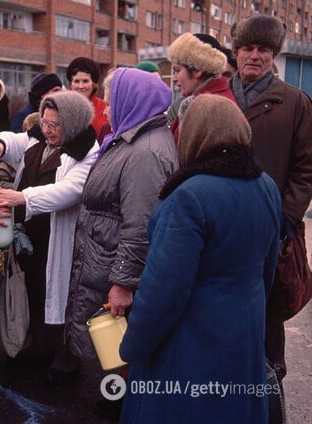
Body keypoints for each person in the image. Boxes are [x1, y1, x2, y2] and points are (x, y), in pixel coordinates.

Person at [119, 94, 282, 424]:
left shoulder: (188, 196)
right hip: (244, 336)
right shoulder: (265, 185)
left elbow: (163, 290)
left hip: (190, 345)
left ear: (193, 135)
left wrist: (133, 347)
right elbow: (267, 270)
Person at [63, 68, 178, 383]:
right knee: (113, 359)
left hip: (114, 269)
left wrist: (123, 283)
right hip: (106, 260)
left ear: (131, 103)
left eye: (112, 103)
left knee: (121, 359)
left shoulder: (146, 154)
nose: (108, 110)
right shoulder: (132, 139)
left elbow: (140, 224)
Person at [0, 91, 100, 371]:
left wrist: (22, 198)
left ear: (71, 124)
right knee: (34, 287)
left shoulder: (87, 151)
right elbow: (13, 140)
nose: (46, 129)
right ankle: (39, 345)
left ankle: (66, 357)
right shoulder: (39, 137)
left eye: (54, 125)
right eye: (45, 123)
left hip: (59, 235)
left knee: (62, 295)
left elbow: (70, 190)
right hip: (32, 231)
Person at [229, 14, 312, 383]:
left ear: (274, 55)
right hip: (219, 227)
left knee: (266, 316)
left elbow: (306, 168)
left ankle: (268, 390)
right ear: (235, 52)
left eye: (264, 49)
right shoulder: (217, 96)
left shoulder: (294, 102)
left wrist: (285, 217)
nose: (255, 56)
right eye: (247, 47)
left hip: (271, 231)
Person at [167, 32, 235, 142]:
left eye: (177, 70)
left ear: (197, 70)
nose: (174, 78)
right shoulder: (207, 101)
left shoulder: (212, 109)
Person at [66, 57, 108, 138]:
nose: (81, 86)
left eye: (85, 81)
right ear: (70, 84)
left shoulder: (105, 108)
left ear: (93, 84)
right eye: (76, 81)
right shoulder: (62, 108)